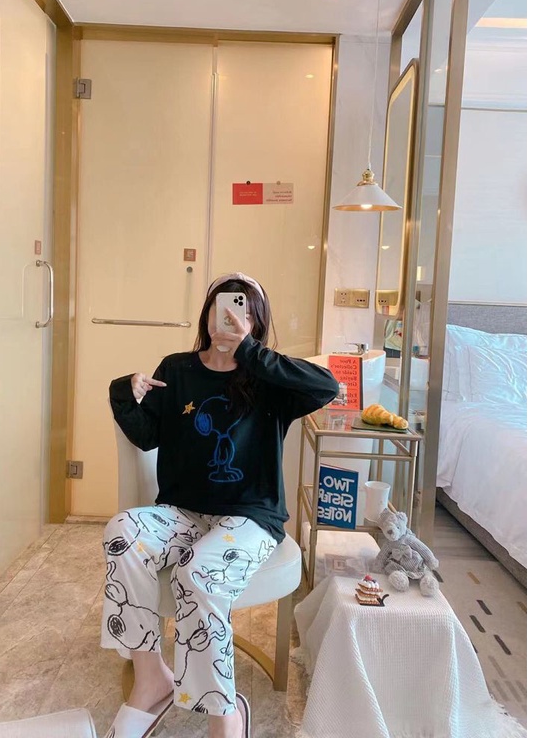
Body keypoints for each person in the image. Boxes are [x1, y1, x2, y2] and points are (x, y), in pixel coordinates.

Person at [101, 272, 339, 738]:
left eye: (240, 308)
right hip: (183, 512)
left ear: (255, 321)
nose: (228, 315)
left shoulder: (269, 379)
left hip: (249, 518)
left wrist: (250, 351)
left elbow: (325, 386)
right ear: (206, 314)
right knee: (122, 531)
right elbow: (147, 436)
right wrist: (124, 393)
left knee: (198, 571)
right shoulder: (177, 369)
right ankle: (151, 679)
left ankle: (225, 716)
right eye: (220, 306)